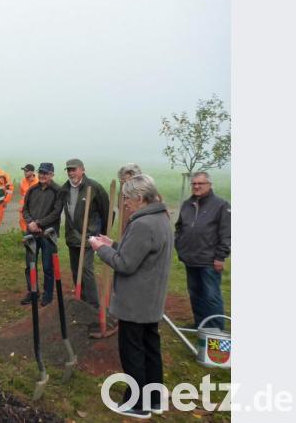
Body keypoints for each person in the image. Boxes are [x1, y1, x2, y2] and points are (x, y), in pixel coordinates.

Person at [89, 175, 172, 418]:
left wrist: (100, 249)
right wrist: (113, 243)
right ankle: (154, 398)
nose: (125, 203)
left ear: (140, 198)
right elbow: (141, 253)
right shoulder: (161, 218)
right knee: (150, 348)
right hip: (151, 299)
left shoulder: (142, 224)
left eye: (127, 198)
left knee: (132, 350)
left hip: (135, 301)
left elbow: (125, 264)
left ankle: (137, 403)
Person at [175, 171, 231, 330]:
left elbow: (226, 233)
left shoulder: (221, 205)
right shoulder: (187, 204)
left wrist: (220, 256)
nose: (197, 186)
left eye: (201, 183)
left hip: (209, 260)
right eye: (194, 183)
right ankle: (200, 325)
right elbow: (179, 227)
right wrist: (179, 244)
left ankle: (215, 331)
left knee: (211, 296)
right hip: (190, 258)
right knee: (196, 294)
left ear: (209, 185)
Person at [58, 158, 110, 308]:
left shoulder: (94, 187)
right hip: (72, 236)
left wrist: (101, 235)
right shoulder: (65, 188)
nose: (71, 172)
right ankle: (81, 301)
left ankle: (93, 305)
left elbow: (105, 211)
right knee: (75, 270)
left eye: (74, 169)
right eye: (68, 170)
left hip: (89, 236)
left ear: (82, 170)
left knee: (86, 269)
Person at [20, 162, 63, 306]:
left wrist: (39, 224)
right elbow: (25, 209)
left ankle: (48, 294)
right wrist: (31, 223)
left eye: (46, 173)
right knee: (30, 264)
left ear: (52, 174)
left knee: (47, 266)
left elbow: (56, 213)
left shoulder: (58, 191)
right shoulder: (32, 190)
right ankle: (33, 291)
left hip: (48, 234)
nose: (43, 175)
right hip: (31, 232)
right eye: (41, 173)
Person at [117, 163, 143, 234]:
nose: (123, 185)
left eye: (126, 181)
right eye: (122, 181)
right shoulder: (123, 193)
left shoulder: (145, 195)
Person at [17, 164, 40, 233]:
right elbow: (22, 194)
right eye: (24, 171)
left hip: (34, 208)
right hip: (23, 208)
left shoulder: (38, 182)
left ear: (32, 172)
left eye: (27, 171)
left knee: (33, 224)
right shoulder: (22, 181)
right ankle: (26, 239)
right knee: (22, 223)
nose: (25, 172)